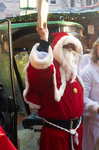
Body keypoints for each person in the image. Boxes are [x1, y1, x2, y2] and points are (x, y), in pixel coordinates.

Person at [23, 22, 84, 150]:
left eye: (73, 47)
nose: (71, 50)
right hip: (56, 135)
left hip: (75, 134)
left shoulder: (74, 73)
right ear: (57, 49)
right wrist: (44, 41)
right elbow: (39, 73)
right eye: (66, 47)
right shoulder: (51, 70)